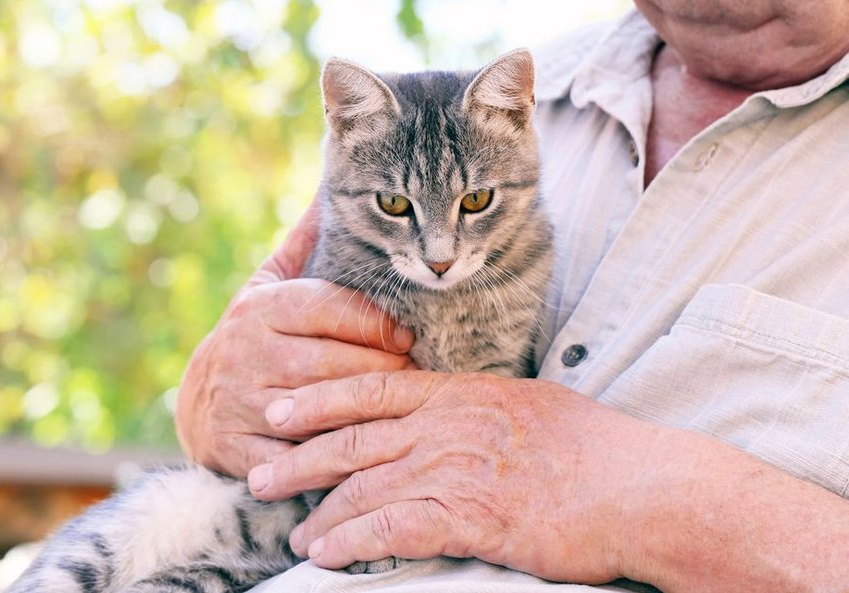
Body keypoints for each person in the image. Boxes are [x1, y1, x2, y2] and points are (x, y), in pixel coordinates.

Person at [175, 1, 849, 591]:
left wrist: (625, 495)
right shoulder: (517, 94)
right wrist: (215, 399)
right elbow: (252, 383)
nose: (439, 253)